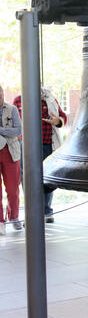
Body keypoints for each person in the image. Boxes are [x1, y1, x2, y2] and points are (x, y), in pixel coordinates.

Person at [13, 86, 67, 223]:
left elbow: (63, 117)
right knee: (27, 179)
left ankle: (47, 211)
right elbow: (13, 123)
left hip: (47, 145)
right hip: (25, 145)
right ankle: (32, 212)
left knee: (47, 177)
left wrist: (58, 121)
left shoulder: (50, 100)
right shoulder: (18, 100)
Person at [0, 85, 22, 235]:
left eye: (0, 93)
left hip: (10, 152)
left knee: (13, 188)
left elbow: (18, 131)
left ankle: (14, 217)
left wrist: (1, 131)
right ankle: (0, 221)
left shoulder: (12, 109)